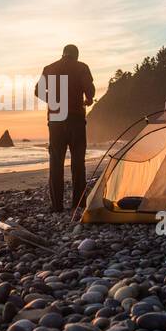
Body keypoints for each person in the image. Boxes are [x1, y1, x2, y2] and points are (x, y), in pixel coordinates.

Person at [38, 44, 94, 212]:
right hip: (76, 119)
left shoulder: (49, 68)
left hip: (56, 120)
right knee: (78, 162)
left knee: (56, 163)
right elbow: (89, 90)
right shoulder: (82, 67)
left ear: (63, 54)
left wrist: (55, 100)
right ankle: (78, 203)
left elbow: (38, 91)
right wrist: (88, 100)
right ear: (76, 55)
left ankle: (56, 206)